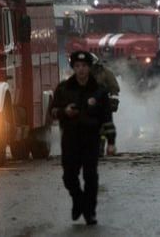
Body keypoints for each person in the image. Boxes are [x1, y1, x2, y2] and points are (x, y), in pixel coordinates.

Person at [51, 51, 111, 226]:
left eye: (84, 66)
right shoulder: (63, 89)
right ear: (73, 68)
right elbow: (53, 111)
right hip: (70, 139)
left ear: (89, 67)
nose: (81, 70)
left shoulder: (99, 91)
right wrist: (65, 111)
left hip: (91, 139)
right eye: (77, 66)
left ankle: (90, 212)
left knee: (91, 177)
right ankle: (78, 200)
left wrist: (111, 142)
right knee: (69, 177)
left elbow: (107, 117)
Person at [90, 54, 120, 156]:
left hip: (102, 104)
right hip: (87, 104)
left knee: (102, 128)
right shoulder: (81, 75)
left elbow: (114, 88)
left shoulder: (106, 73)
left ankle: (100, 147)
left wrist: (114, 101)